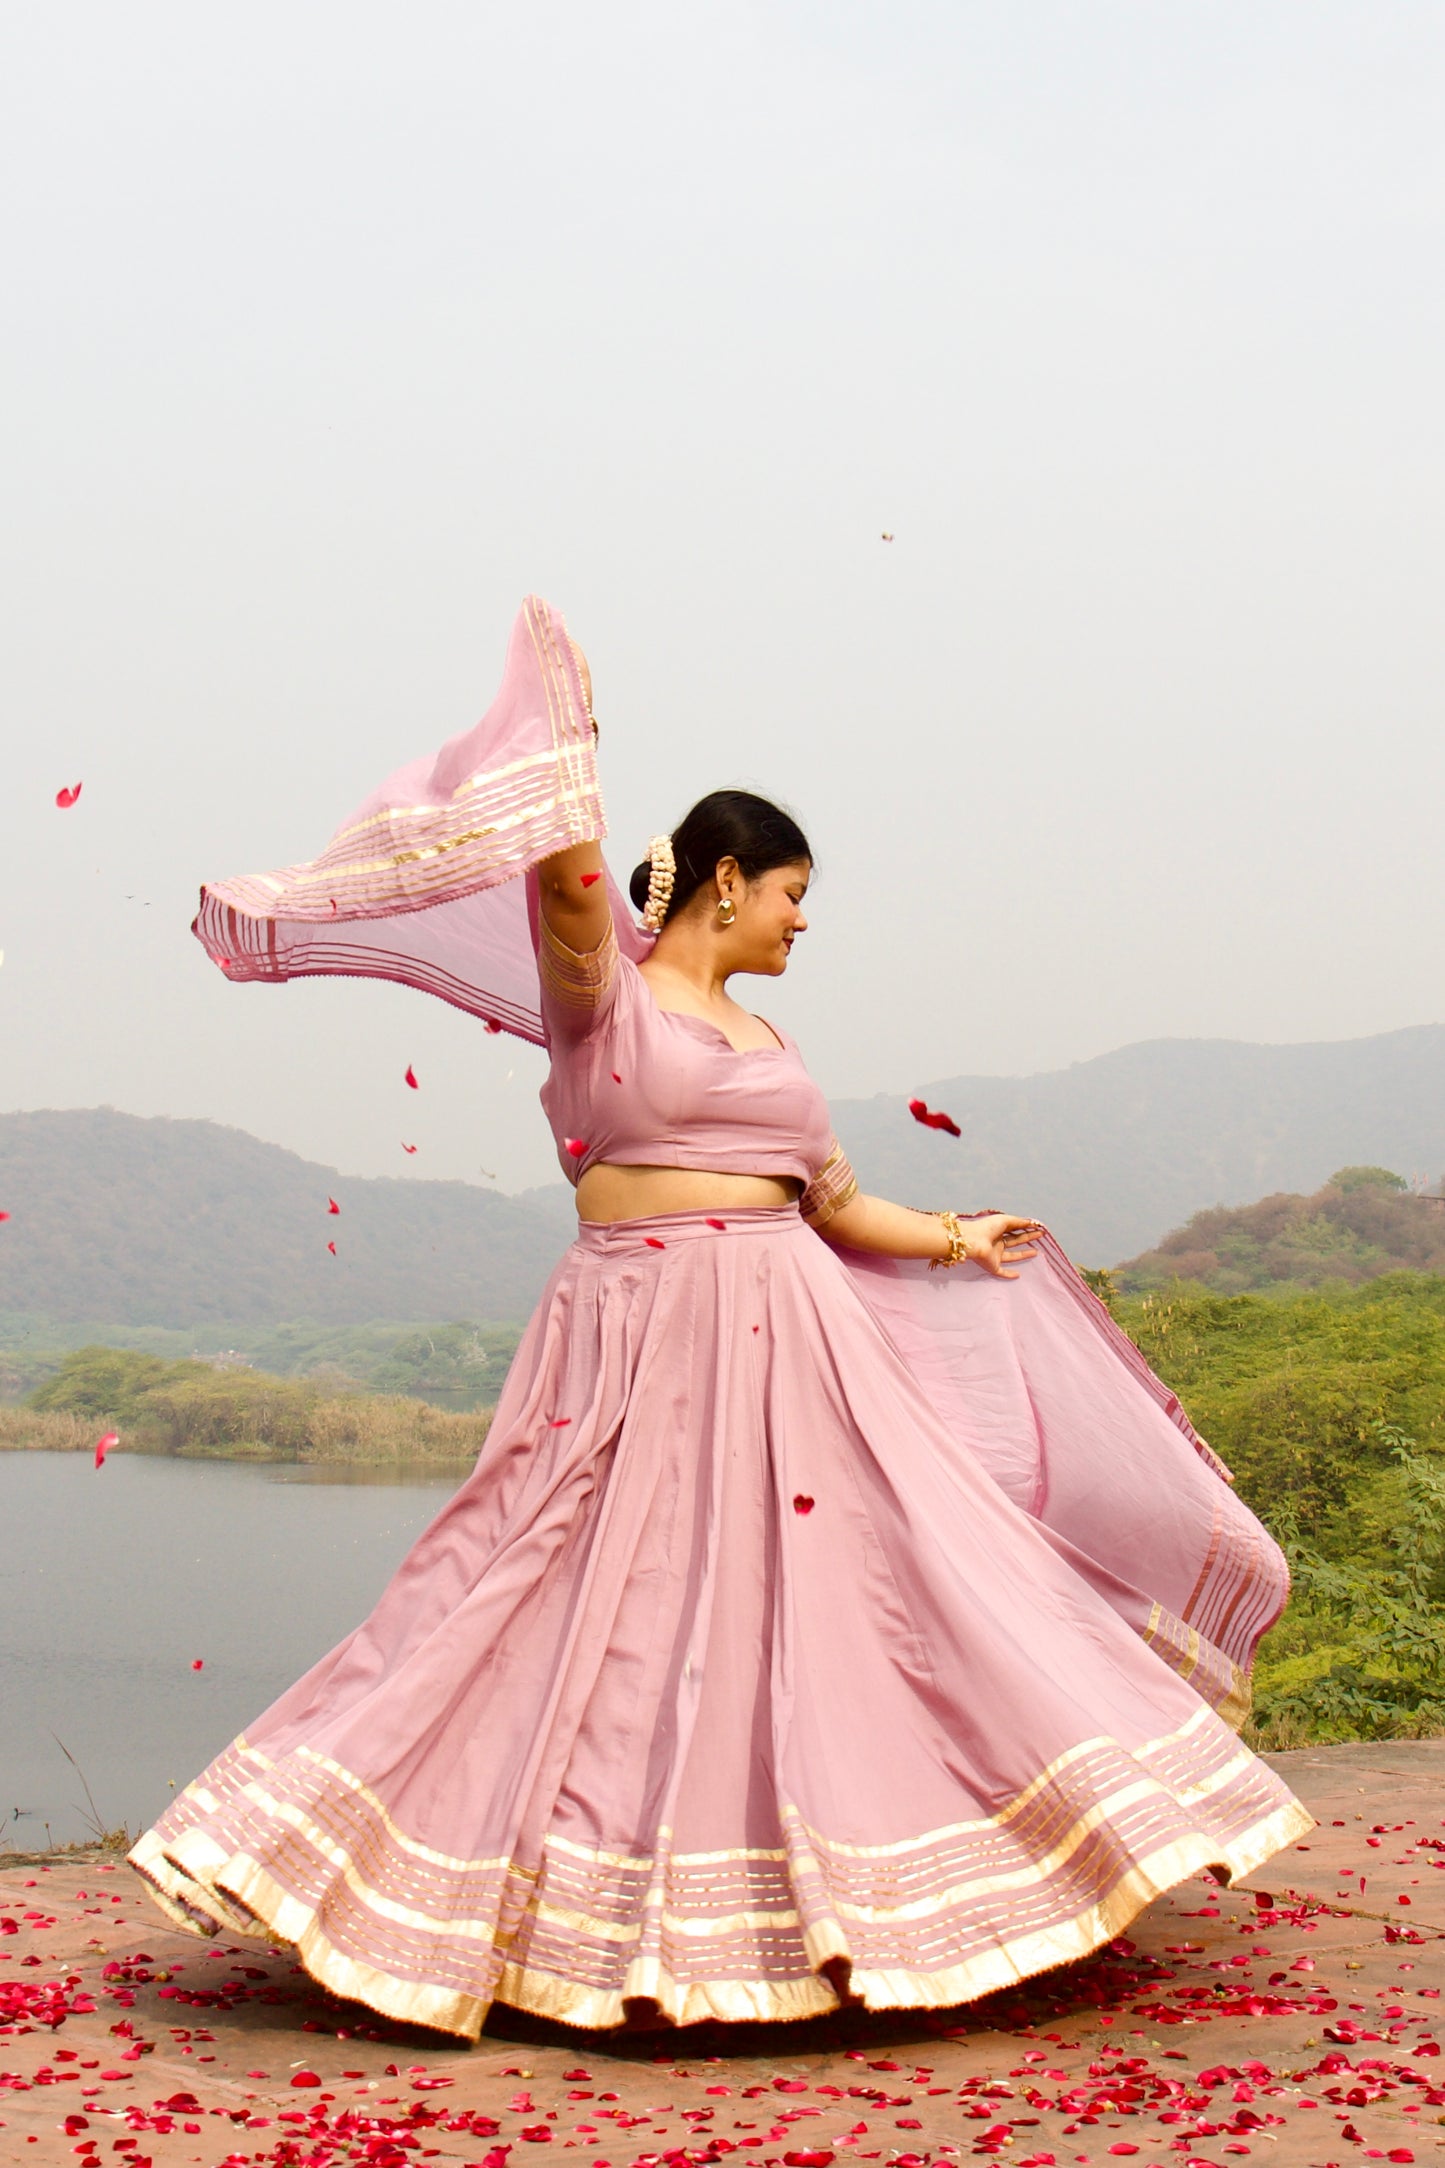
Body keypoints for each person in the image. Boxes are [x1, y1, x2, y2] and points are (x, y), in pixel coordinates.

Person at [131, 596, 1311, 2038]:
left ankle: (853, 1889)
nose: (804, 921)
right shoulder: (607, 1011)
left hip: (795, 1340)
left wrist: (954, 1233)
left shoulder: (771, 1042)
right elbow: (570, 901)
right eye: (792, 894)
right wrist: (566, 756)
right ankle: (443, 1875)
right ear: (725, 882)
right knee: (551, 1585)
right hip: (638, 1330)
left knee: (843, 1602)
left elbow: (828, 1198)